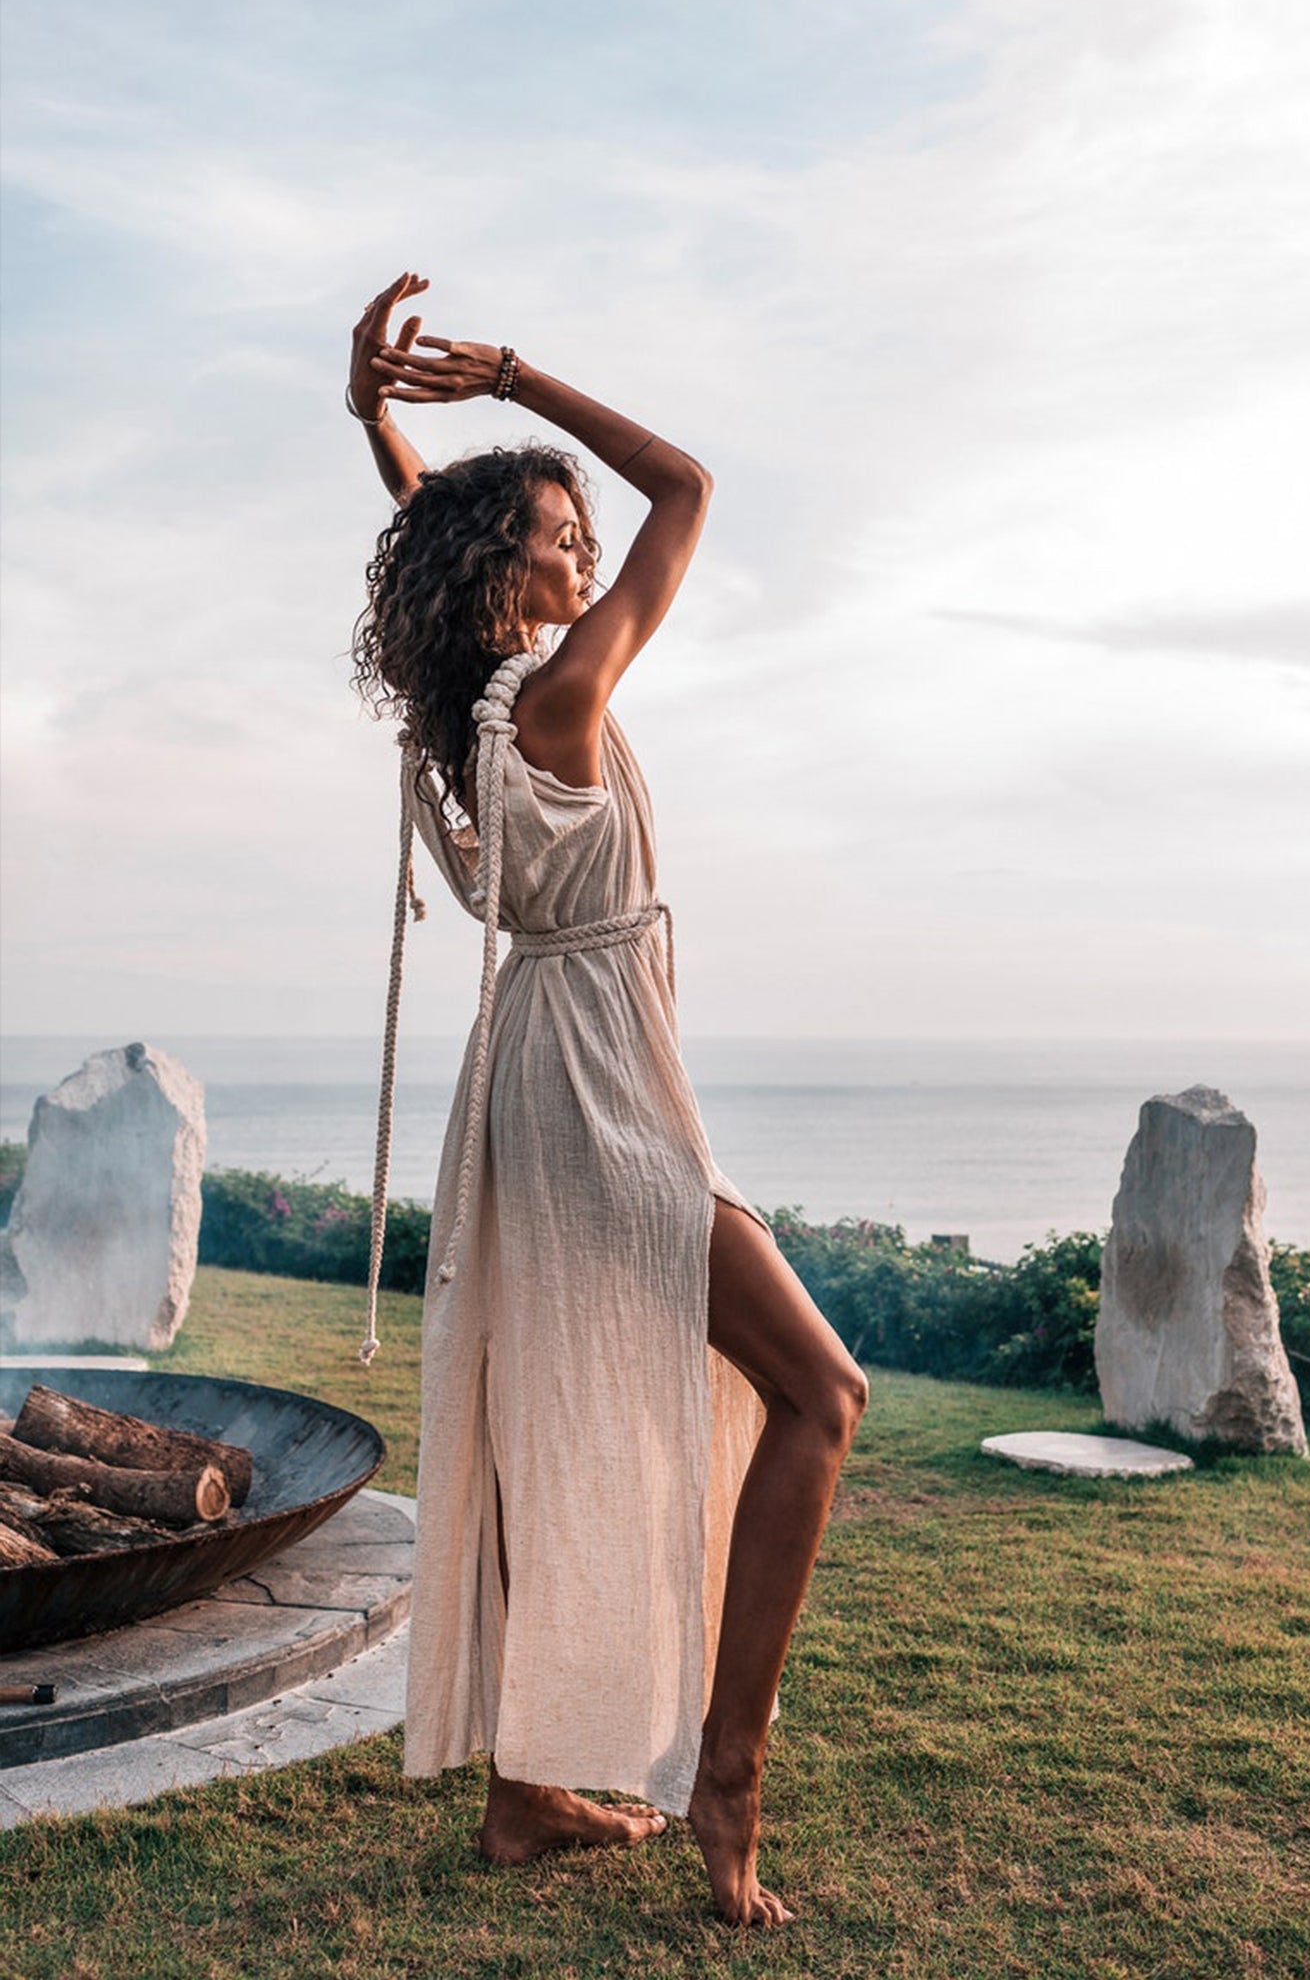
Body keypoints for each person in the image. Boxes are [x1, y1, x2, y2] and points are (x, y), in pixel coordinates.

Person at [348, 272, 868, 1929]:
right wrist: (515, 377)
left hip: (540, 1081)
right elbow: (693, 490)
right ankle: (728, 1769)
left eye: (584, 539)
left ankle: (520, 1796)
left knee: (556, 1411)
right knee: (823, 1394)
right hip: (596, 1084)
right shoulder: (558, 698)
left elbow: (438, 533)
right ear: (512, 575)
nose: (589, 557)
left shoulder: (458, 712)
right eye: (565, 540)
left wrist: (382, 421)